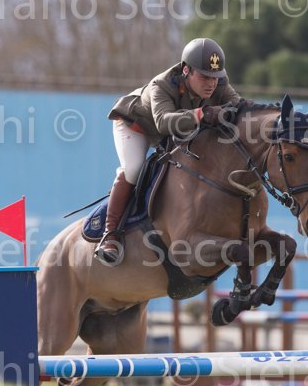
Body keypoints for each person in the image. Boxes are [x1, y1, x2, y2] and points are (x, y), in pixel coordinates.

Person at [96, 38, 241, 264]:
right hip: (136, 125)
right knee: (134, 169)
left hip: (172, 133)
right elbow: (163, 123)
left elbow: (239, 108)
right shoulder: (162, 85)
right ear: (186, 70)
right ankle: (110, 234)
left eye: (215, 77)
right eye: (204, 77)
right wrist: (201, 114)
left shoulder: (220, 82)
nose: (211, 84)